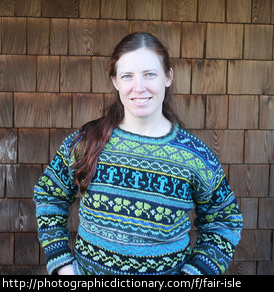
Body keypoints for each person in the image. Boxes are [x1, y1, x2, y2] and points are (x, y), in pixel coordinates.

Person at [34, 32, 243, 275]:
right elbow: (49, 195)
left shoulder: (196, 156)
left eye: (150, 74)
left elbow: (224, 221)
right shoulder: (85, 142)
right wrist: (62, 266)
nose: (139, 87)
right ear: (115, 82)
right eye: (127, 76)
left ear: (168, 76)